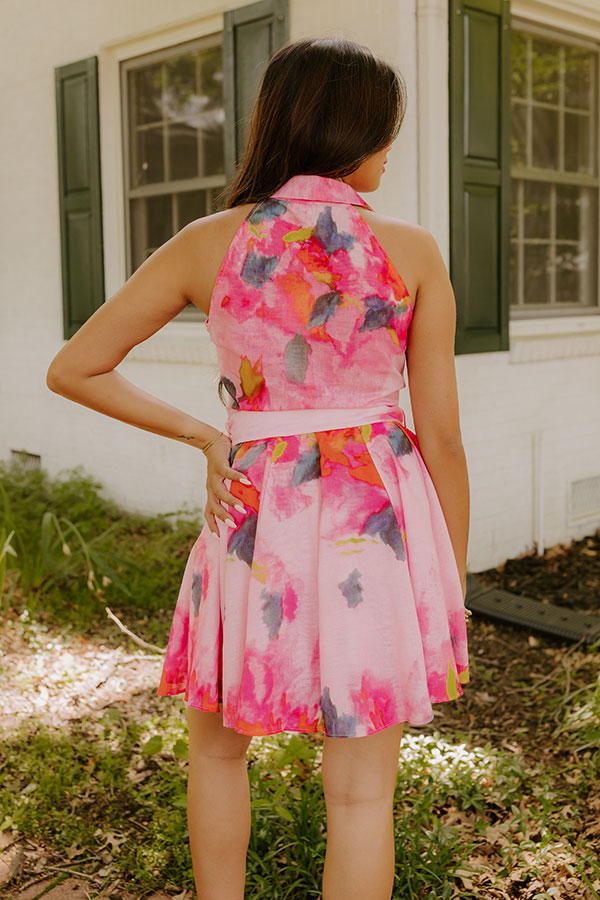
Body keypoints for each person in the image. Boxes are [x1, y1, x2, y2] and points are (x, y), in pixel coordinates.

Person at [46, 35, 470, 900]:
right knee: (362, 796)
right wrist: (447, 586)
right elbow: (444, 439)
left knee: (216, 753)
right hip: (374, 531)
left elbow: (75, 366)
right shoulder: (414, 251)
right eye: (385, 130)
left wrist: (210, 438)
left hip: (253, 516)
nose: (390, 149)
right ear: (352, 131)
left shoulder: (207, 242)